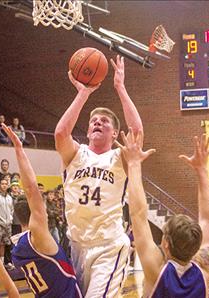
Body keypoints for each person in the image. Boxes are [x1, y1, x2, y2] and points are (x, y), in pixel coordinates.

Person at [54, 55, 142, 297]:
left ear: (114, 133)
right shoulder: (76, 153)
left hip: (109, 245)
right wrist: (83, 93)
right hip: (75, 245)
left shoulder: (118, 157)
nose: (97, 123)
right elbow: (61, 133)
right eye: (93, 121)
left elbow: (137, 133)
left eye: (104, 121)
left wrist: (120, 88)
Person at [116, 130, 209, 297]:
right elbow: (207, 219)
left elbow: (138, 214)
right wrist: (202, 169)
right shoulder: (206, 269)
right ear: (197, 246)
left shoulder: (157, 270)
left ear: (166, 243)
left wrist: (133, 163)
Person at [3, 124, 81, 297]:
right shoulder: (38, 235)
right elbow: (31, 188)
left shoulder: (16, 250)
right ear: (34, 214)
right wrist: (19, 149)